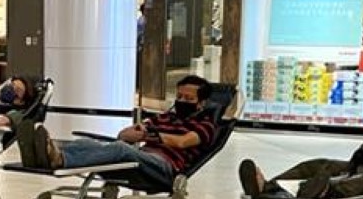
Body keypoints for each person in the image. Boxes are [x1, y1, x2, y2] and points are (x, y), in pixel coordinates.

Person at [17, 75, 216, 188]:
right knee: (90, 144)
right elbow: (124, 135)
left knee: (120, 149)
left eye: (188, 99)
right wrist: (135, 133)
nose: (182, 102)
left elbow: (183, 142)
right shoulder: (166, 117)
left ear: (202, 103)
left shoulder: (205, 124)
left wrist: (151, 135)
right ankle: (46, 150)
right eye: (179, 96)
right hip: (141, 160)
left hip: (165, 168)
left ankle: (59, 159)